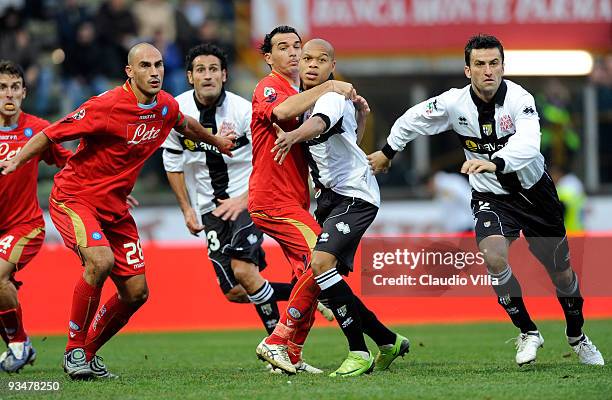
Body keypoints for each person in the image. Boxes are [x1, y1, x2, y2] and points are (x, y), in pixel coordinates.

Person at [0, 43, 235, 380]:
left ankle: (88, 353)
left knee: (136, 292)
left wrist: (217, 141)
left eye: (158, 65)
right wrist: (18, 159)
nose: (154, 72)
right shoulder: (105, 106)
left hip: (114, 207)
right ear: (130, 71)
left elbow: (184, 124)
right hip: (74, 198)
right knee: (100, 260)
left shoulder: (164, 106)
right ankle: (73, 350)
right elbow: (51, 134)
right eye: (145, 66)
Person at [368, 34, 604, 366]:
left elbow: (529, 145)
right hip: (491, 196)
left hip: (535, 195)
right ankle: (527, 331)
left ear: (503, 67)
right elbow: (413, 119)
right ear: (468, 70)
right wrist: (388, 151)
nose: (488, 71)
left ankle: (577, 336)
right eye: (479, 64)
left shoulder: (520, 99)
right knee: (493, 257)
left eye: (494, 64)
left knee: (561, 273)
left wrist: (496, 162)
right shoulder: (454, 103)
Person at [271, 39, 409, 377]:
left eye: (322, 60)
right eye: (306, 59)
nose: (312, 65)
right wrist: (359, 122)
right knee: (323, 280)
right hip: (330, 198)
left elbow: (318, 124)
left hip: (355, 196)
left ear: (332, 67)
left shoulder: (331, 97)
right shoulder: (301, 98)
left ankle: (358, 352)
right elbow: (343, 140)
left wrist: (293, 136)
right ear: (298, 64)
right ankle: (387, 339)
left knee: (320, 264)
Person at [162, 43, 293, 335]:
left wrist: (246, 198)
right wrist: (186, 208)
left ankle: (277, 342)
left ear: (224, 75)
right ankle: (305, 293)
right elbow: (172, 162)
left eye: (213, 70)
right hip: (210, 207)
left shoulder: (244, 111)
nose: (207, 76)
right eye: (200, 70)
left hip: (249, 199)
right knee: (234, 289)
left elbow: (270, 161)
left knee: (245, 270)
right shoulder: (176, 111)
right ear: (189, 77)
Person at [249, 26, 354, 374]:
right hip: (272, 199)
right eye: (284, 48)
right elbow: (279, 114)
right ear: (269, 58)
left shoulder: (301, 93)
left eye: (298, 46)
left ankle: (290, 354)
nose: (294, 53)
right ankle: (277, 340)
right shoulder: (270, 87)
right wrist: (330, 85)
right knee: (322, 262)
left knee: (310, 275)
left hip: (295, 201)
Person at [0, 60, 71, 373]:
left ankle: (19, 345)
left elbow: (68, 163)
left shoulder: (38, 130)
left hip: (24, 226)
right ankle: (18, 346)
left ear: (24, 93)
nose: (9, 93)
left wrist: (108, 187)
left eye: (15, 87)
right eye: (2, 87)